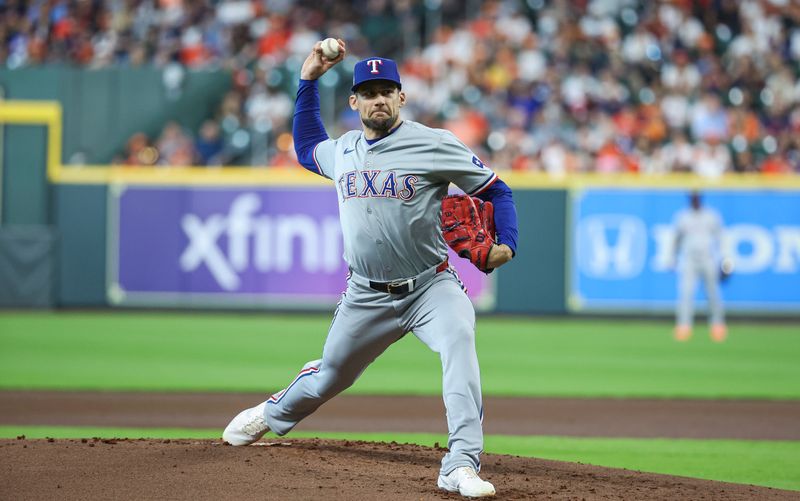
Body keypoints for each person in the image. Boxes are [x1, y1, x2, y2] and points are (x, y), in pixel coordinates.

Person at [221, 40, 519, 498]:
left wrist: (507, 246)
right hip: (366, 293)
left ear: (401, 97)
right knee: (329, 377)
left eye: (387, 90)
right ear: (354, 101)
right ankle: (273, 412)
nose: (379, 99)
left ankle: (459, 463)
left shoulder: (434, 144)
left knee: (459, 344)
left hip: (430, 285)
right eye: (369, 91)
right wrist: (308, 79)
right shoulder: (343, 151)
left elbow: (498, 191)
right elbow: (305, 148)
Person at [672, 191, 727, 342]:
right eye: (692, 198)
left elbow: (721, 237)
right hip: (689, 259)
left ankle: (718, 325)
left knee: (712, 293)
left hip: (708, 258)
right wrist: (672, 258)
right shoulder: (683, 216)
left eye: (697, 198)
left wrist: (725, 259)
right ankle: (684, 326)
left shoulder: (711, 215)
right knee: (686, 293)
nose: (695, 200)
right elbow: (676, 239)